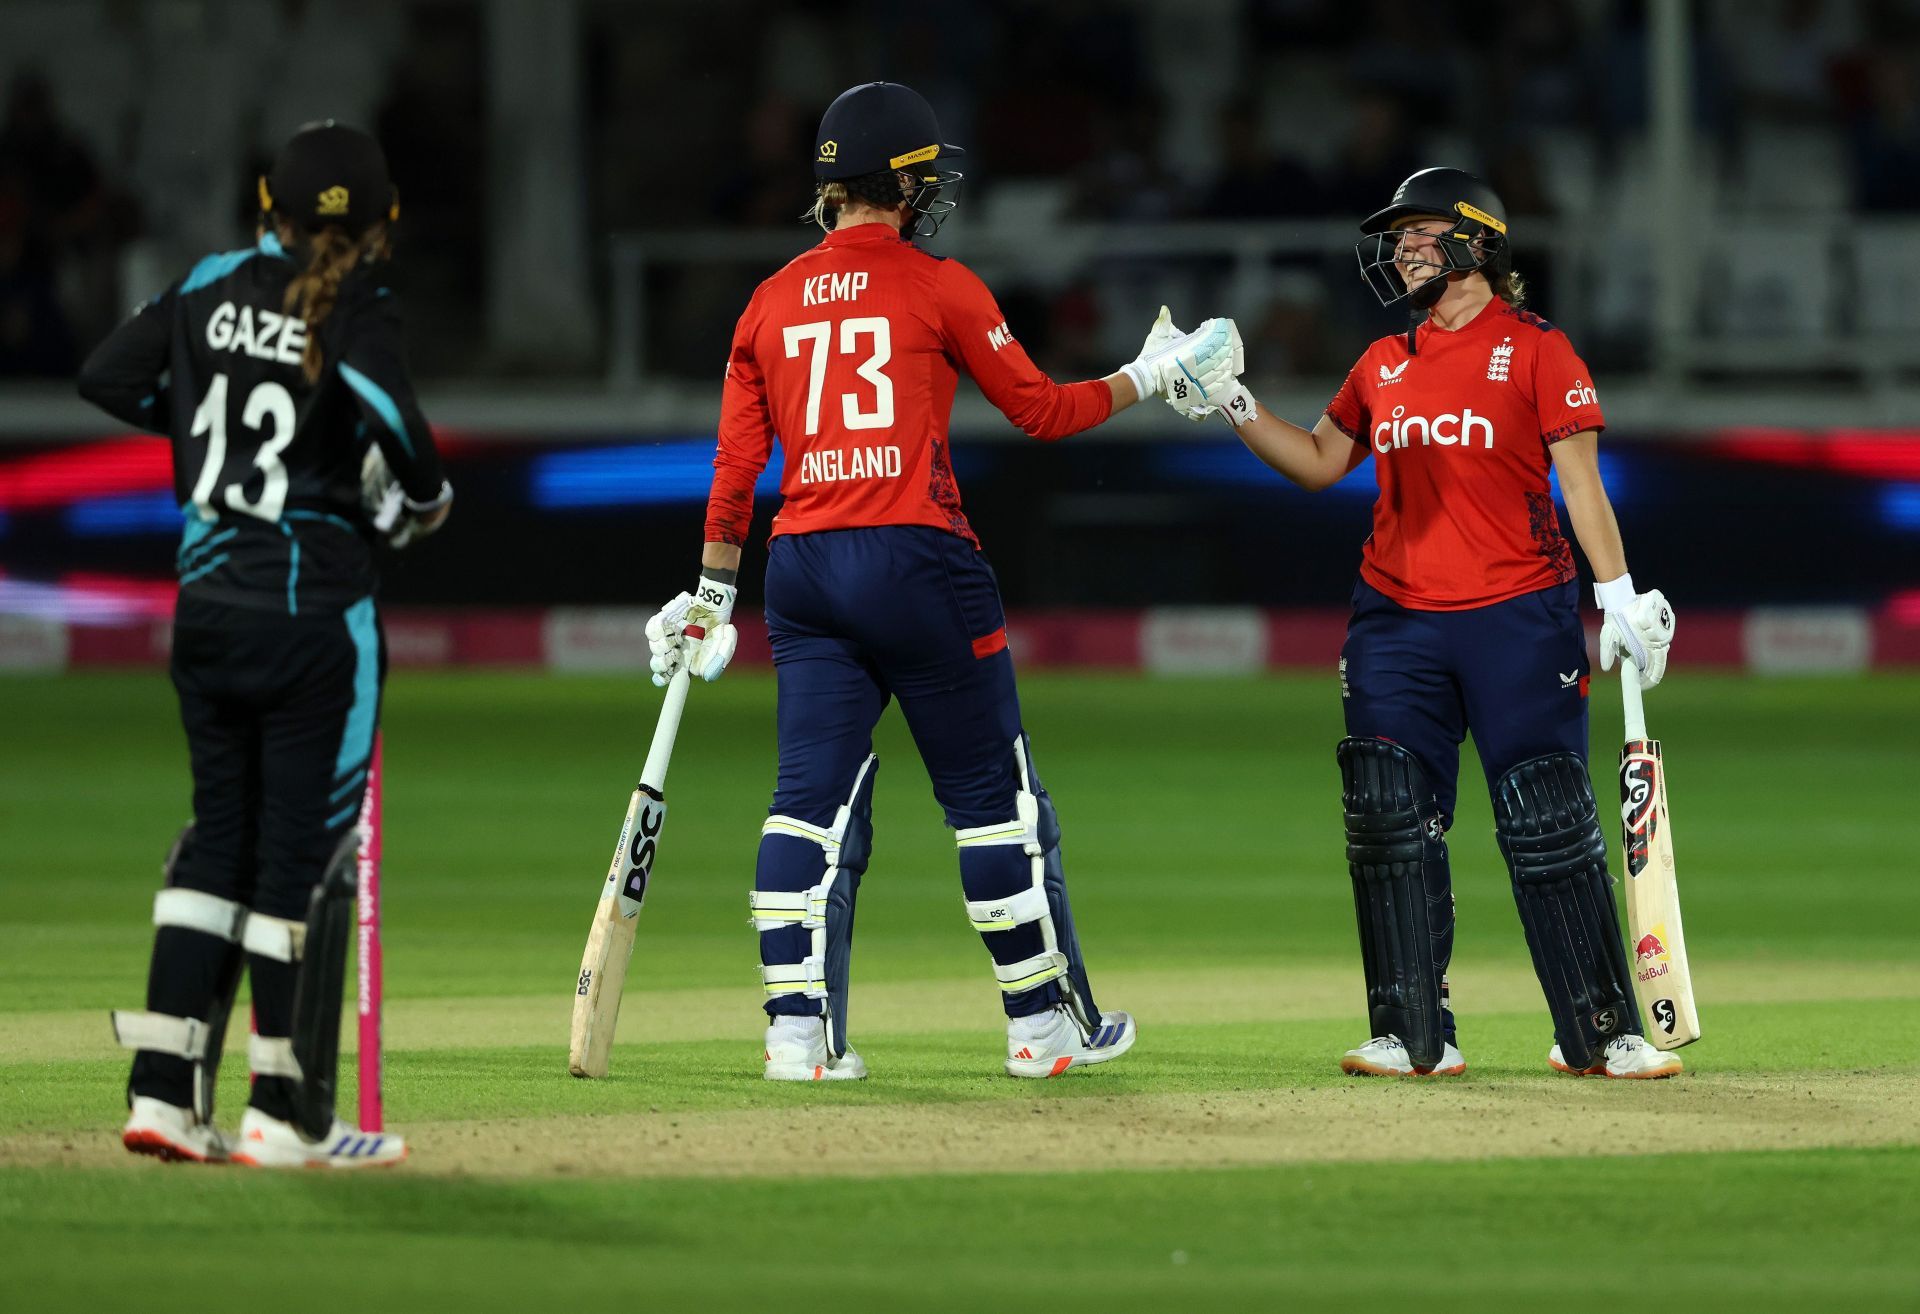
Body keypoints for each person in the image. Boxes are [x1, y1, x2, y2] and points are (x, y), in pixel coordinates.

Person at [646, 80, 1235, 1081]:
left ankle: (798, 1038)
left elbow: (735, 469)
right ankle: (1042, 1028)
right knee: (989, 800)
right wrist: (1155, 372)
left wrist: (709, 593)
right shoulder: (940, 284)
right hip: (918, 558)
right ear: (909, 186)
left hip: (803, 569)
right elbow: (1044, 413)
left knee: (804, 804)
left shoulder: (768, 301)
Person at [1196, 167, 1681, 1080]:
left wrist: (1617, 594)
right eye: (1399, 236)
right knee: (1387, 820)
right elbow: (1315, 461)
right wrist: (1231, 399)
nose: (1403, 249)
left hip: (1519, 618)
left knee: (1546, 820)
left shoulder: (1539, 350)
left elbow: (1582, 485)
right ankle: (1412, 1033)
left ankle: (1602, 1030)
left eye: (1420, 233)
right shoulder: (1384, 362)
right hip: (1395, 624)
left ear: (1478, 244)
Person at [76, 121, 451, 1164]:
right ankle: (283, 1116)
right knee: (297, 853)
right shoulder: (360, 300)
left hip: (205, 614)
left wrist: (208, 426)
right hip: (312, 617)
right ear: (385, 220)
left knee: (217, 836)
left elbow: (106, 375)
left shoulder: (212, 281)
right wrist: (424, 498)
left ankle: (161, 1097)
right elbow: (392, 413)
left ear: (264, 202)